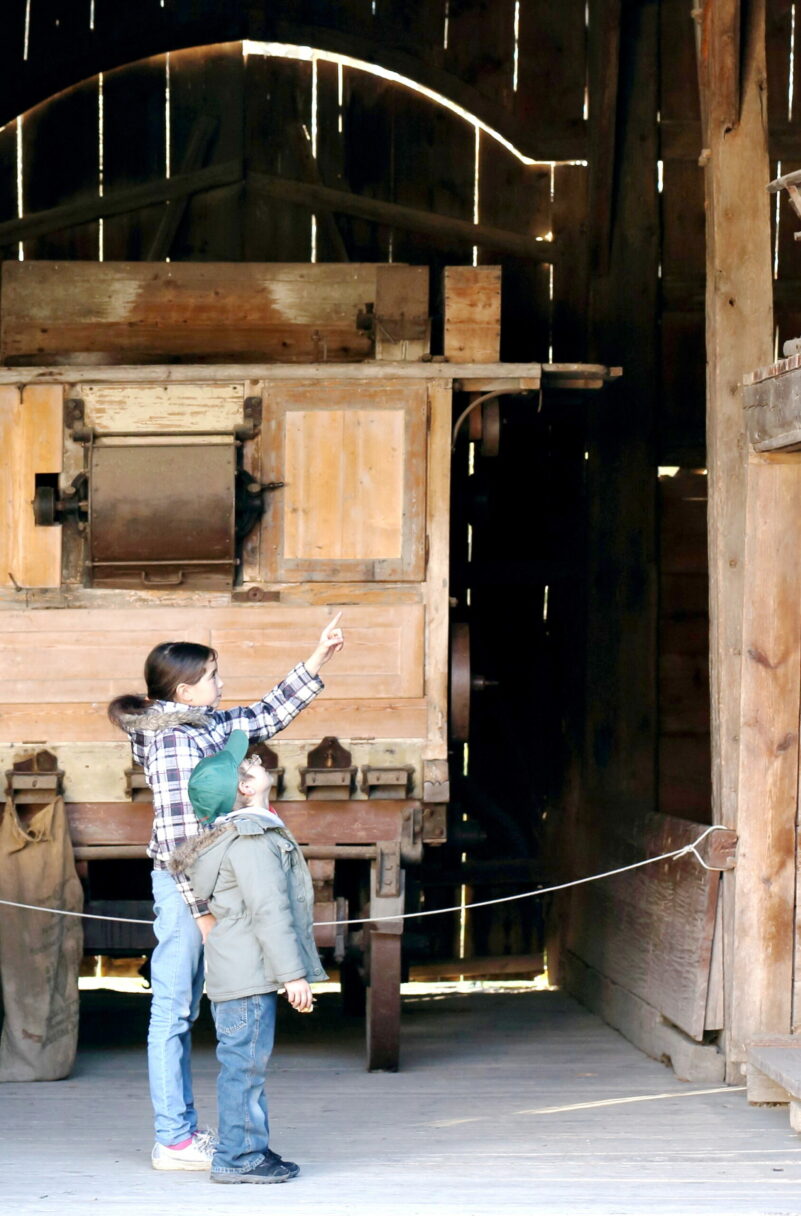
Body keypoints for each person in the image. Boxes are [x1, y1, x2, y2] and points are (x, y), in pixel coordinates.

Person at [107, 614, 343, 1170]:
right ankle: (174, 1139)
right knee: (174, 1009)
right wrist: (203, 914)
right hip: (187, 886)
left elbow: (265, 713)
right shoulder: (172, 740)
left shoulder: (203, 722)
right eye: (213, 676)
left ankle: (186, 1134)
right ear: (184, 691)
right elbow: (177, 839)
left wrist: (318, 657)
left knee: (187, 1006)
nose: (221, 683)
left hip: (212, 877)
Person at [167, 730, 326, 1184]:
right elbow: (268, 910)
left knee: (244, 1064)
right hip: (248, 973)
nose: (256, 761)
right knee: (245, 1067)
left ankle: (249, 1147)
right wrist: (292, 975)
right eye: (249, 764)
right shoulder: (252, 841)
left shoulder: (237, 835)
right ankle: (238, 1158)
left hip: (238, 969)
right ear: (245, 786)